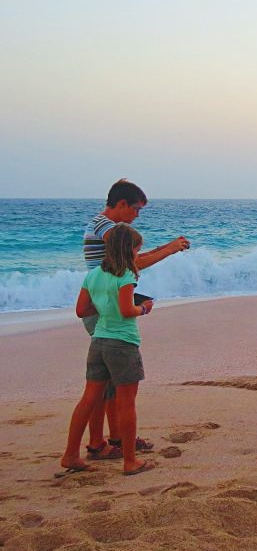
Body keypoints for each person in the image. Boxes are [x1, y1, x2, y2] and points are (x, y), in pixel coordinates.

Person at [82, 179, 189, 460]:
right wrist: (168, 251)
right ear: (121, 205)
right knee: (105, 384)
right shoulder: (106, 227)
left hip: (104, 308)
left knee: (110, 383)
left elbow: (130, 259)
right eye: (136, 209)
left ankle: (115, 437)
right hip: (106, 314)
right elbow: (132, 263)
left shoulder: (105, 228)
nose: (137, 216)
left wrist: (169, 245)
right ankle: (98, 442)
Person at [61, 224, 156, 475]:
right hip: (122, 342)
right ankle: (130, 461)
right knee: (127, 403)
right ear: (129, 250)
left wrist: (105, 307)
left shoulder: (93, 275)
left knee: (89, 398)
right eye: (137, 250)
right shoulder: (126, 275)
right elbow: (127, 311)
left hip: (98, 341)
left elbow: (81, 310)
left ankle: (71, 454)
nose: (138, 255)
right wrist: (144, 308)